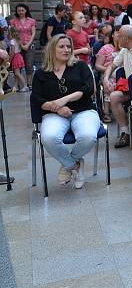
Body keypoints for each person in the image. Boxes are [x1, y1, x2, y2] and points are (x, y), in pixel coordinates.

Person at [31, 34, 101, 190]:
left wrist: (64, 100)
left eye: (69, 46)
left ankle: (67, 164)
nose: (67, 49)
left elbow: (89, 89)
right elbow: (36, 98)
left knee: (88, 136)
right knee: (48, 137)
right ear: (52, 49)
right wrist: (55, 107)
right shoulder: (41, 73)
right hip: (54, 114)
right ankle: (74, 164)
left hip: (84, 111)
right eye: (61, 46)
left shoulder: (80, 66)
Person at [10, 3, 36, 85]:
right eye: (19, 10)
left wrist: (27, 45)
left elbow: (33, 33)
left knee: (29, 65)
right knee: (17, 67)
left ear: (26, 11)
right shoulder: (13, 21)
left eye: (22, 10)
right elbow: (13, 34)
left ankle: (29, 84)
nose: (21, 12)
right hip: (17, 47)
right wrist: (21, 45)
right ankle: (17, 85)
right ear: (16, 11)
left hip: (29, 45)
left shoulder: (32, 21)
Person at [7, 27, 28, 92]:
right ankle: (15, 87)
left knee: (17, 73)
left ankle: (25, 86)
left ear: (11, 33)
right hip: (19, 56)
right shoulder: (17, 40)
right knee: (16, 74)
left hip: (15, 57)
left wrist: (9, 59)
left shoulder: (12, 41)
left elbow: (12, 51)